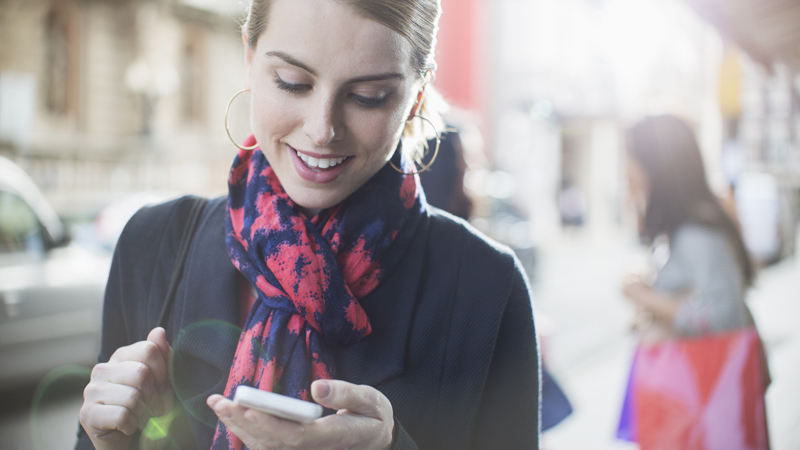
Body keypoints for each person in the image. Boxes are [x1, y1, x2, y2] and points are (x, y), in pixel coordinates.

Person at [76, 1, 540, 449]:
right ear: (250, 60)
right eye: (293, 83)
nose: (322, 130)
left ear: (415, 96)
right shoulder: (152, 244)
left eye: (368, 97)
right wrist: (112, 444)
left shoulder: (486, 288)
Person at [619, 115, 768, 449]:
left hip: (702, 406)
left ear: (655, 165)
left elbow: (722, 314)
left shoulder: (697, 231)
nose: (626, 167)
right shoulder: (686, 225)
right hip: (694, 402)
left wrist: (645, 298)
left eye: (631, 155)